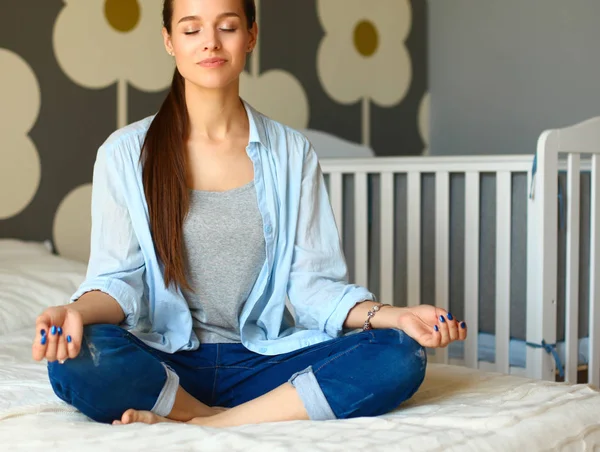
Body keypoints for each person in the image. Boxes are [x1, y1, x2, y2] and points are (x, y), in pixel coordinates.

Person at [31, 0, 467, 428]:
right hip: (165, 361)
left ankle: (210, 422)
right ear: (169, 41)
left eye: (228, 26)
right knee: (76, 358)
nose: (210, 43)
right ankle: (200, 409)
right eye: (191, 29)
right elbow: (118, 281)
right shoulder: (125, 154)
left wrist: (398, 316)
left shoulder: (292, 153)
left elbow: (312, 287)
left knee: (398, 352)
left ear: (251, 35)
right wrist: (75, 313)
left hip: (264, 361)